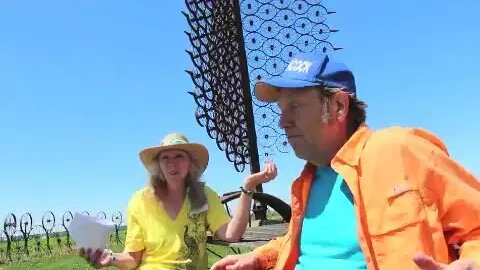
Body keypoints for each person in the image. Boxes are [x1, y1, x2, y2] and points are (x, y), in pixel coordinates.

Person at [211, 51, 480, 270]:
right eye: (281, 110)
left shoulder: (400, 150)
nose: (282, 121)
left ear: (338, 106)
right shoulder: (306, 182)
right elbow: (303, 242)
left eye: (294, 107)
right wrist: (260, 258)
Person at [78, 132, 277, 270]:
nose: (172, 163)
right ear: (158, 165)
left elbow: (231, 235)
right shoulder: (141, 201)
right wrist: (111, 258)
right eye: (165, 157)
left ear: (190, 163)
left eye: (179, 156)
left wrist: (248, 187)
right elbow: (133, 258)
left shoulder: (200, 195)